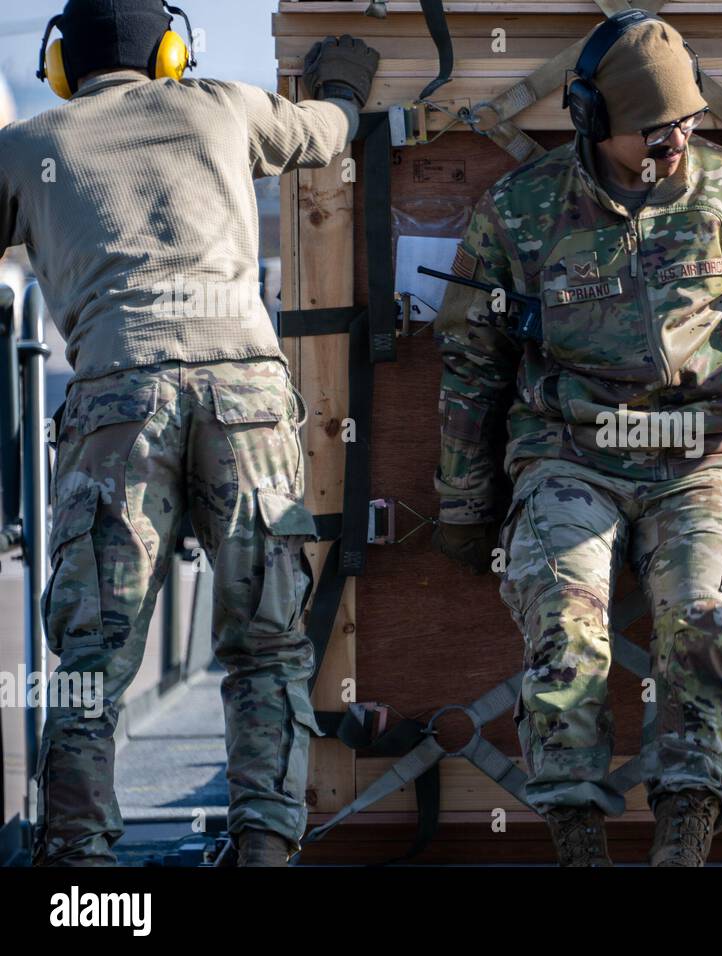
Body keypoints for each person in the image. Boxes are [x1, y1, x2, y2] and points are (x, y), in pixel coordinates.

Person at [433, 10, 722, 865]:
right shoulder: (524, 210)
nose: (673, 145)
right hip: (570, 453)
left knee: (700, 616)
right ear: (591, 122)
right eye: (652, 132)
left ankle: (687, 829)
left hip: (699, 459)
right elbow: (469, 361)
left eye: (685, 124)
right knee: (568, 628)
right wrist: (463, 501)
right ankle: (577, 832)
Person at [0, 0, 380, 865]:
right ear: (170, 51)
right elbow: (328, 132)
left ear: (60, 67)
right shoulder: (221, 104)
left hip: (117, 402)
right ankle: (265, 850)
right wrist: (346, 91)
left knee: (94, 659)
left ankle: (84, 874)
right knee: (268, 646)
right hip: (245, 396)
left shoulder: (30, 147)